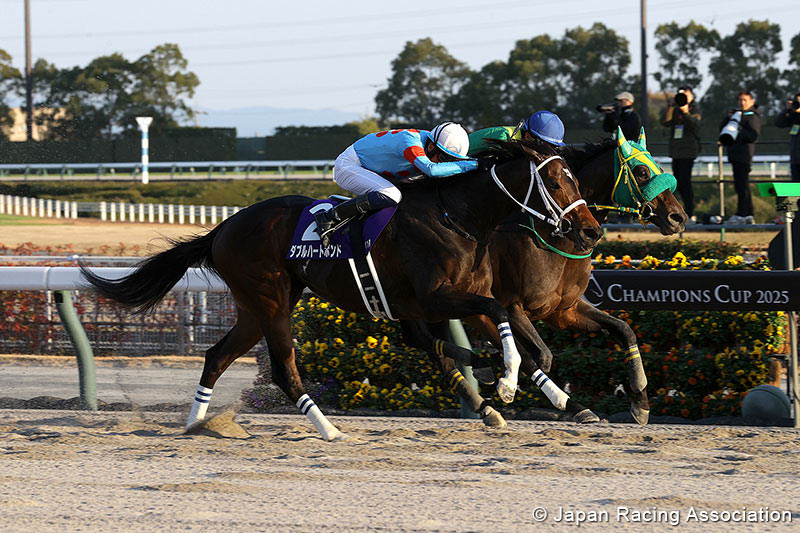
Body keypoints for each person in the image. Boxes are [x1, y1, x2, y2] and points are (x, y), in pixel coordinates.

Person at [314, 122, 479, 245]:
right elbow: (432, 170)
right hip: (349, 165)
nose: (445, 165)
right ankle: (330, 217)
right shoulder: (410, 141)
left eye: (451, 161)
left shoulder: (431, 147)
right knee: (392, 194)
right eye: (444, 158)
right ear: (430, 146)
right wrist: (474, 164)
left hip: (376, 171)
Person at [660, 86, 702, 223]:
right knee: (676, 182)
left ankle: (690, 212)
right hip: (676, 151)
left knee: (685, 181)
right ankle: (678, 211)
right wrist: (671, 106)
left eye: (686, 95)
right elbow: (665, 121)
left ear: (692, 97)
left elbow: (695, 124)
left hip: (688, 151)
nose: (683, 97)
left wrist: (685, 112)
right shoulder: (675, 109)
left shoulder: (694, 109)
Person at [720, 91, 761, 224]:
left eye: (745, 100)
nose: (742, 103)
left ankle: (743, 213)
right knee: (741, 186)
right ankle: (747, 213)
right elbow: (723, 130)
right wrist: (729, 118)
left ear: (751, 102)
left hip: (744, 156)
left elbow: (753, 136)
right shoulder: (737, 115)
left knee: (742, 186)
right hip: (735, 155)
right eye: (740, 100)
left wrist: (738, 130)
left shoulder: (752, 117)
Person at [467, 110, 566, 157]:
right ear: (527, 136)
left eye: (553, 147)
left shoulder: (521, 140)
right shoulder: (504, 137)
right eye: (544, 146)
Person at [775, 92, 800, 181]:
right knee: (796, 186)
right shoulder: (794, 116)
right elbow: (779, 123)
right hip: (795, 159)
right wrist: (786, 110)